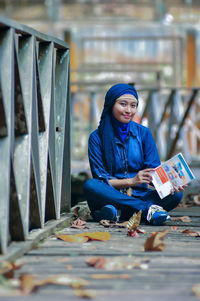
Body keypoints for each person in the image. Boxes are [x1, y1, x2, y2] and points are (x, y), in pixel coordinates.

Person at [83, 83, 185, 225]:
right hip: (111, 195)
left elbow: (153, 172)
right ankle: (147, 210)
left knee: (176, 195)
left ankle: (116, 213)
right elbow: (101, 180)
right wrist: (131, 181)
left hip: (141, 195)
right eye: (123, 104)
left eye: (133, 105)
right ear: (111, 104)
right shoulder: (96, 137)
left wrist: (169, 184)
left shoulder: (143, 133)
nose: (129, 110)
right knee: (91, 185)